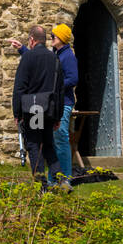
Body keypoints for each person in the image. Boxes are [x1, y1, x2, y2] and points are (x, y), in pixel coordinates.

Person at [11, 25, 70, 192]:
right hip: (50, 108)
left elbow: (19, 87)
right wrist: (58, 116)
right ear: (44, 40)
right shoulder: (54, 59)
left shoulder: (28, 58)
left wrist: (17, 112)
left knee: (34, 145)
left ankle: (41, 186)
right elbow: (59, 90)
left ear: (31, 40)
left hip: (33, 109)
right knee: (49, 145)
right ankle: (61, 180)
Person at [50, 24, 78, 180]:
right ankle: (54, 178)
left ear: (61, 38)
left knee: (61, 139)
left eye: (54, 36)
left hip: (64, 103)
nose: (51, 38)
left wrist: (55, 85)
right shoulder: (57, 54)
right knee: (54, 142)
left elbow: (73, 79)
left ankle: (65, 177)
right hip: (56, 103)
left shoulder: (68, 56)